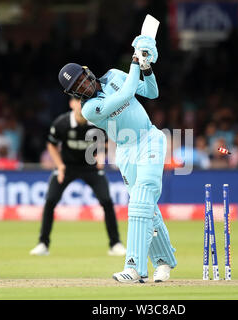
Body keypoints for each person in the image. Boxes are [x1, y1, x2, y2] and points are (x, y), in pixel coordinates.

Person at [57, 35, 177, 283]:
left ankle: (133, 268)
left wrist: (146, 66)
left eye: (82, 79)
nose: (83, 86)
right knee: (146, 209)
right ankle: (164, 262)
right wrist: (135, 61)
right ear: (72, 93)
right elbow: (125, 96)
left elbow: (151, 92)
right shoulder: (89, 109)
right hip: (125, 151)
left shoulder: (114, 74)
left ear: (88, 72)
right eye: (76, 87)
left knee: (141, 200)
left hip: (149, 139)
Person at [29, 97, 126, 257]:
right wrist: (59, 166)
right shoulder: (62, 123)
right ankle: (43, 244)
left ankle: (115, 244)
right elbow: (51, 145)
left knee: (107, 201)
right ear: (71, 104)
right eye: (77, 101)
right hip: (67, 166)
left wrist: (100, 155)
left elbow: (106, 142)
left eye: (84, 102)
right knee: (50, 200)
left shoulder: (97, 122)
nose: (81, 105)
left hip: (90, 167)